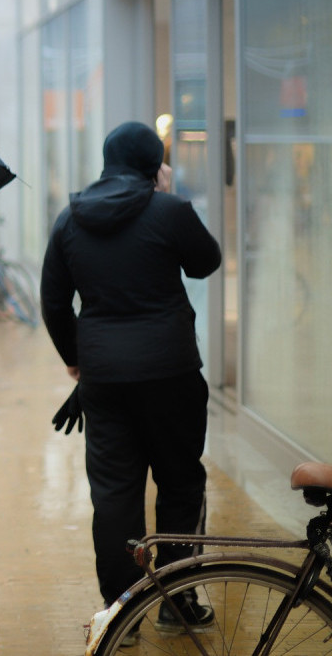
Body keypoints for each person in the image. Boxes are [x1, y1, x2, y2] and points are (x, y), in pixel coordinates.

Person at [39, 121, 222, 633]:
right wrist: (165, 197)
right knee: (180, 484)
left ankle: (124, 610)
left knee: (115, 494)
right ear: (154, 164)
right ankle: (178, 602)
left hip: (105, 380)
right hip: (171, 373)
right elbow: (206, 262)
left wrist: (76, 357)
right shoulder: (169, 210)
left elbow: (53, 299)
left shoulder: (69, 220)